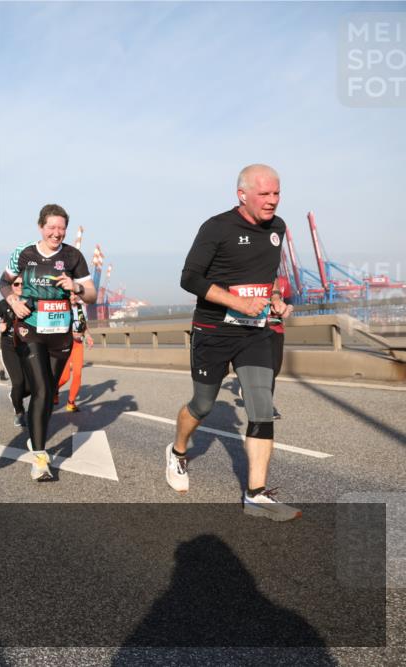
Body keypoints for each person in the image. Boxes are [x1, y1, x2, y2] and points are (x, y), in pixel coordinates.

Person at [169, 164, 299, 521]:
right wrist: (238, 301)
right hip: (213, 332)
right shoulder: (217, 228)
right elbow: (189, 277)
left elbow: (268, 275)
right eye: (265, 194)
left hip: (254, 332)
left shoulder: (278, 228)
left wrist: (274, 298)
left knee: (261, 405)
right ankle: (178, 451)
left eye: (277, 193)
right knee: (203, 403)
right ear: (242, 195)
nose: (272, 201)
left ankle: (255, 493)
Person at [0, 204, 96, 481]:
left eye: (61, 228)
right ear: (41, 227)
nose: (56, 233)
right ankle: (40, 457)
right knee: (41, 390)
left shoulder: (73, 255)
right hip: (30, 328)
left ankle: (34, 435)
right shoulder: (24, 253)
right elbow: (4, 282)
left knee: (48, 391)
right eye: (51, 227)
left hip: (60, 332)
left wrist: (75, 287)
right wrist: (13, 301)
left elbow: (90, 294)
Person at [0, 278, 29, 427]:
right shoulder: (3, 304)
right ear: (10, 287)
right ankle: (19, 412)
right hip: (9, 348)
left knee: (32, 385)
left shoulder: (31, 301)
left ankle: (14, 395)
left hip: (28, 347)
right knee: (18, 382)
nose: (20, 286)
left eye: (22, 283)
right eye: (16, 284)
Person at [55, 300, 93, 412]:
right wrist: (72, 334)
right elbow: (57, 326)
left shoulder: (82, 307)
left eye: (74, 293)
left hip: (78, 345)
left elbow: (84, 324)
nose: (72, 296)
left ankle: (71, 402)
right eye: (70, 293)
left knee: (77, 374)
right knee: (65, 377)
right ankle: (54, 390)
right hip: (65, 343)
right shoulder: (62, 306)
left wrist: (88, 336)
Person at [268, 275, 293, 419]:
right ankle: (267, 405)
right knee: (268, 369)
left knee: (275, 369)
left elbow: (289, 301)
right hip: (257, 331)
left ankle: (250, 387)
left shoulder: (284, 282)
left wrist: (289, 308)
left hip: (277, 329)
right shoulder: (255, 277)